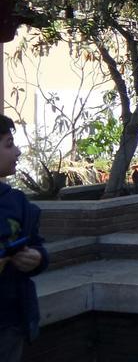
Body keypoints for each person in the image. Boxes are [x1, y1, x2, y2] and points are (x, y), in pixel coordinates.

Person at [0, 115, 48, 361]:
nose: (17, 151)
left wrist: (37, 258)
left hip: (10, 323)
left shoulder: (17, 202)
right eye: (9, 144)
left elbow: (36, 245)